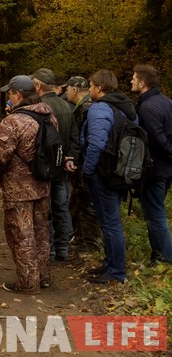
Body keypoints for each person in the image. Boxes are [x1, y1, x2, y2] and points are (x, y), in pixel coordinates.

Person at [0, 75, 53, 293]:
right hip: (43, 184)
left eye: (10, 93)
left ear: (18, 94)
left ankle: (28, 283)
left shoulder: (13, 121)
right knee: (41, 231)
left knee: (21, 234)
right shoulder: (48, 116)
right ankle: (43, 276)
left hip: (18, 188)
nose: (8, 96)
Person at [80, 69, 135, 284]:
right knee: (108, 221)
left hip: (105, 173)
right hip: (120, 172)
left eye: (91, 86)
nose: (90, 89)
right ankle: (110, 264)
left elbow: (96, 143)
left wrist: (88, 170)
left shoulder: (100, 109)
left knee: (110, 222)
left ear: (100, 88)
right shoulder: (125, 107)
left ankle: (116, 271)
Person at [31, 68, 78, 262]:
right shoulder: (67, 106)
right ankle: (63, 249)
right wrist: (70, 158)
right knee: (61, 207)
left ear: (38, 85)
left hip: (43, 169)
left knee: (44, 210)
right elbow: (75, 137)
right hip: (61, 168)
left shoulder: (38, 106)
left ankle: (48, 251)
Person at [131, 65, 172, 264]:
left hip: (156, 168)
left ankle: (164, 259)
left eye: (134, 78)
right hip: (165, 168)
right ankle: (159, 256)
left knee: (155, 215)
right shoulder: (166, 101)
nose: (131, 81)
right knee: (156, 213)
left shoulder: (148, 107)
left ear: (142, 83)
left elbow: (157, 139)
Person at [64, 76, 100, 251]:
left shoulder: (86, 108)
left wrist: (83, 163)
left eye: (67, 89)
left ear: (74, 90)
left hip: (86, 164)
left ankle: (90, 243)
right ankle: (79, 238)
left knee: (87, 204)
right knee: (78, 200)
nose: (65, 92)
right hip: (81, 163)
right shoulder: (81, 107)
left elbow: (86, 139)